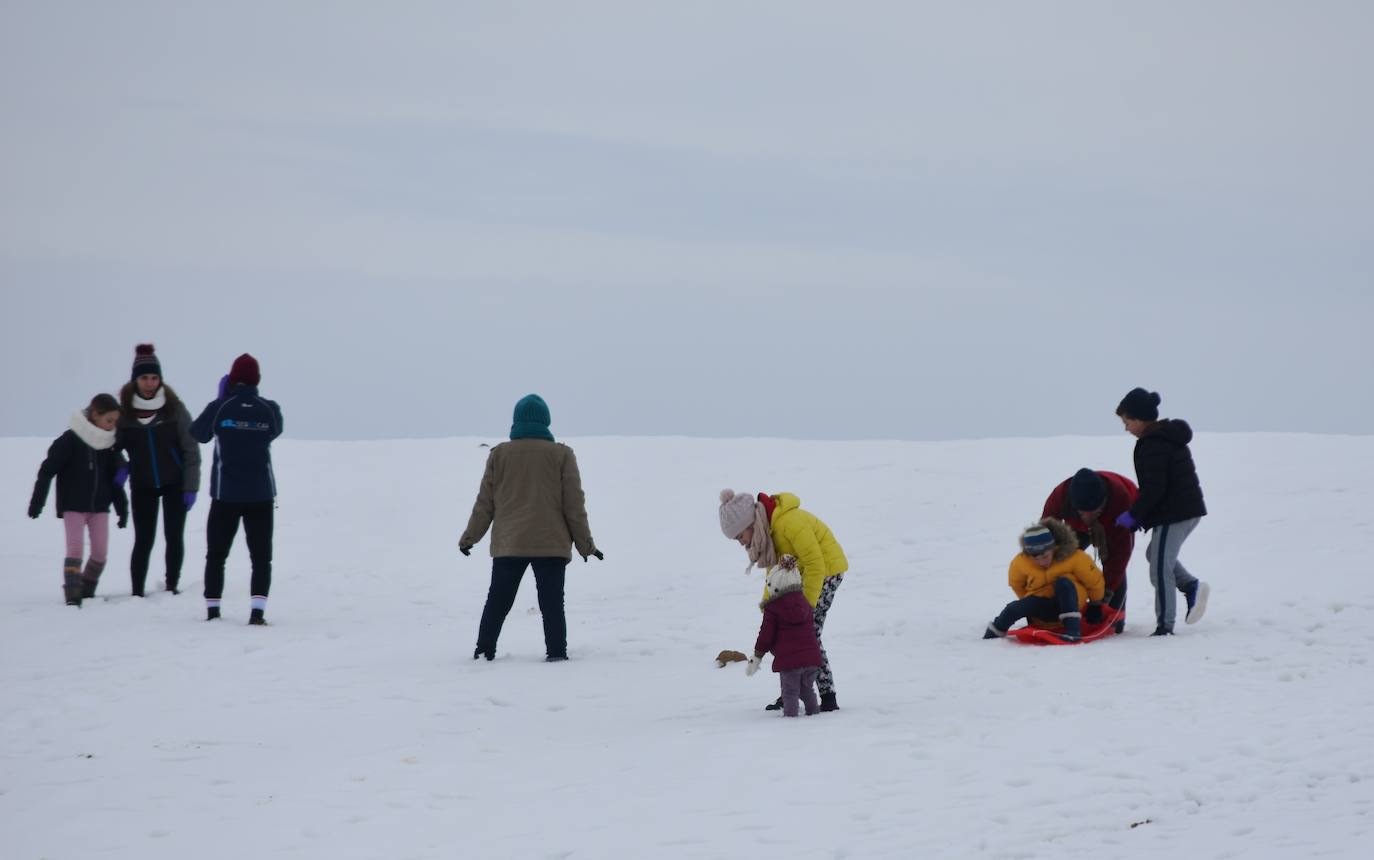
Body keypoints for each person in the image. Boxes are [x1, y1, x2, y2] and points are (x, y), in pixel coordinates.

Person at [460, 394, 602, 662]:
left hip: (509, 543)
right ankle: (557, 654)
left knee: (498, 602)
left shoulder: (499, 455)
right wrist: (586, 545)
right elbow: (574, 505)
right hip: (551, 544)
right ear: (546, 421)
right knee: (551, 605)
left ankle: (483, 652)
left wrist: (469, 538)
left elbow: (484, 504)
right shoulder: (561, 455)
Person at [719, 488, 847, 712]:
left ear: (750, 524)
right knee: (785, 632)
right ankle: (793, 689)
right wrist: (769, 611)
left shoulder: (788, 522)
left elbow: (816, 563)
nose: (740, 543)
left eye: (740, 536)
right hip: (804, 574)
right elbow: (776, 575)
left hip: (827, 570)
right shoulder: (768, 533)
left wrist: (805, 608)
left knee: (808, 631)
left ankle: (827, 696)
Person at [190, 354, 283, 625]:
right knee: (261, 557)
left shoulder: (221, 407)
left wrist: (222, 402)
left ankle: (213, 611)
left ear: (231, 379)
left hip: (225, 495)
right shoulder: (269, 409)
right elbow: (275, 430)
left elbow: (198, 433)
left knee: (217, 554)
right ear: (258, 380)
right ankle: (257, 613)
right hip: (261, 495)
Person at [1115, 387, 1209, 636]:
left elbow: (1155, 489)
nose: (1125, 427)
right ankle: (1191, 586)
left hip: (1176, 512)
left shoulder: (1155, 444)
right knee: (1154, 555)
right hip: (1182, 510)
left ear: (1139, 418)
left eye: (1127, 421)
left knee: (1159, 567)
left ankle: (1165, 626)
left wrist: (1135, 515)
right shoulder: (1159, 439)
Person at [116, 343, 201, 596]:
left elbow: (191, 449)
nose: (150, 383)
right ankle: (137, 592)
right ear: (135, 380)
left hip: (174, 484)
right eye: (144, 378)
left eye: (154, 378)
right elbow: (113, 447)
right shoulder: (125, 413)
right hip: (142, 485)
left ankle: (172, 585)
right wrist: (122, 467)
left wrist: (191, 486)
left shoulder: (174, 409)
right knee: (144, 540)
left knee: (174, 536)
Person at [28, 394, 130, 605]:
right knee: (75, 550)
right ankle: (73, 594)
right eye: (109, 420)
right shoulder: (70, 440)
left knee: (100, 553)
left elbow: (115, 482)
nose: (112, 425)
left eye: (115, 421)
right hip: (73, 505)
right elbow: (47, 471)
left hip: (100, 507)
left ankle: (87, 587)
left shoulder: (109, 446)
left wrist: (122, 508)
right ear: (95, 414)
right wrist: (38, 501)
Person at [983, 518, 1105, 641]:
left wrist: (1095, 604)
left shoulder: (1074, 557)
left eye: (1045, 556)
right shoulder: (1020, 562)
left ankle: (1073, 631)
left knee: (1064, 584)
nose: (1041, 561)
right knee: (1014, 608)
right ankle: (994, 633)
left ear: (1053, 548)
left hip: (1073, 601)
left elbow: (1094, 581)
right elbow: (1016, 584)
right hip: (1043, 605)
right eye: (1036, 558)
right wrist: (1028, 605)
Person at [1042, 468, 1138, 623]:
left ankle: (1115, 617)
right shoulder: (1061, 495)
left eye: (1095, 512)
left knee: (1114, 565)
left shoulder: (1120, 499)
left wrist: (1101, 598)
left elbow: (1120, 556)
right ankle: (1063, 605)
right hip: (1076, 526)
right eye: (1083, 513)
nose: (1088, 517)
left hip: (1115, 521)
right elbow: (1045, 533)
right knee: (1066, 559)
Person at [746, 557, 823, 717]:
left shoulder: (773, 608)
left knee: (790, 692)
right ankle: (814, 714)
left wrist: (758, 654)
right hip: (811, 659)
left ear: (774, 585)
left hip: (790, 662)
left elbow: (765, 635)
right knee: (806, 689)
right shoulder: (805, 603)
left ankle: (790, 720)